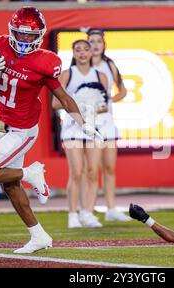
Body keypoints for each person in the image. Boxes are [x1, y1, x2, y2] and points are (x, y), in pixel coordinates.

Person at [0, 6, 101, 253]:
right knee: (9, 185)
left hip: (22, 130)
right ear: (11, 31)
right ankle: (39, 236)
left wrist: (85, 124)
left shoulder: (45, 61)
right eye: (21, 34)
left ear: (39, 35)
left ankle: (29, 173)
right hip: (3, 127)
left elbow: (64, 96)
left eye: (31, 35)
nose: (25, 39)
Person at [52, 39, 108, 228]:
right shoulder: (67, 74)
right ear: (73, 54)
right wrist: (79, 102)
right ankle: (72, 214)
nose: (83, 53)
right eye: (78, 50)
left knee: (92, 171)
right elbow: (55, 103)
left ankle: (88, 213)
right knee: (76, 172)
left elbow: (104, 105)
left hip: (94, 129)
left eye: (86, 49)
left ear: (92, 53)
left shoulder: (100, 76)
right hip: (72, 128)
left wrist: (92, 107)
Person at [83, 29, 130, 222]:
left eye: (98, 42)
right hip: (88, 123)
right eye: (91, 41)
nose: (94, 45)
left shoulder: (109, 65)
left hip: (107, 121)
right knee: (91, 170)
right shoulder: (80, 66)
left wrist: (108, 100)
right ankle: (87, 211)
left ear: (103, 45)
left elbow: (123, 90)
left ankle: (111, 209)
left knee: (109, 167)